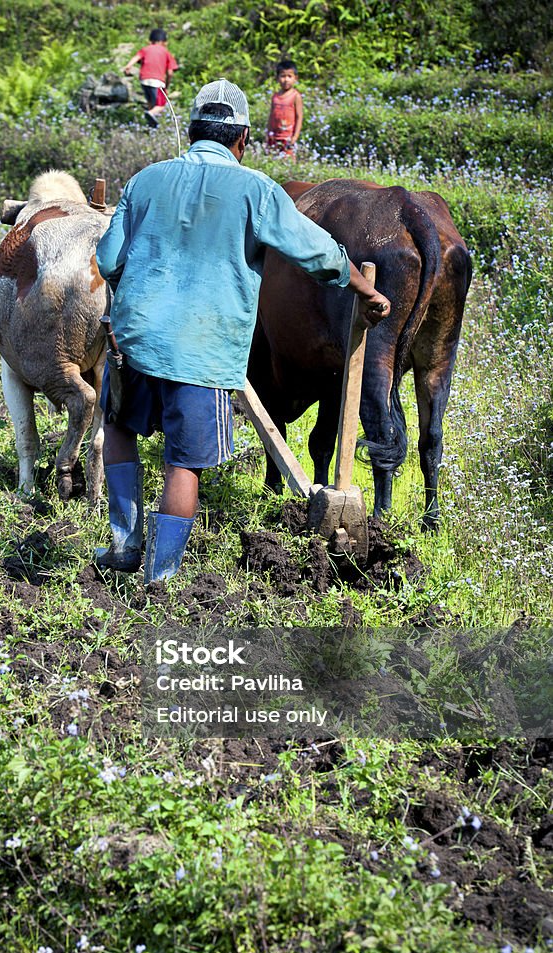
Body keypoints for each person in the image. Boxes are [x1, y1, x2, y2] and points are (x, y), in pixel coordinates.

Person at [94, 79, 391, 584]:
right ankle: (159, 576)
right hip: (203, 349)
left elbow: (107, 259)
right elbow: (316, 253)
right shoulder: (257, 190)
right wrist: (362, 286)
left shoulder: (145, 180)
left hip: (135, 339)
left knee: (120, 429)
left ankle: (123, 545)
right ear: (243, 139)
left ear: (190, 132)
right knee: (183, 462)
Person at [121, 28, 178, 128]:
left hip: (144, 80)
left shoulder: (146, 49)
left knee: (151, 103)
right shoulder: (166, 52)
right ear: (164, 42)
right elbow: (170, 73)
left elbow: (136, 57)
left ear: (150, 40)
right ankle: (151, 114)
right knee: (160, 105)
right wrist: (167, 87)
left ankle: (151, 126)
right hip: (157, 82)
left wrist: (128, 66)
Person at [266, 59, 303, 159]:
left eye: (289, 76)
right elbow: (271, 116)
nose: (286, 79)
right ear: (277, 78)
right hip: (274, 136)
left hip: (288, 137)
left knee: (288, 161)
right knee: (272, 160)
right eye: (283, 76)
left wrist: (295, 137)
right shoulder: (275, 97)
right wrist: (268, 133)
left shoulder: (296, 96)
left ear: (295, 78)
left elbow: (299, 117)